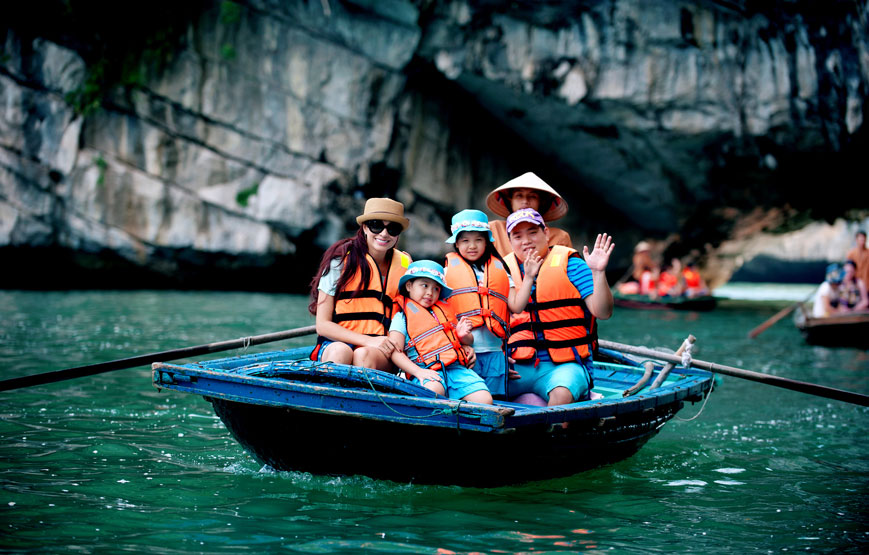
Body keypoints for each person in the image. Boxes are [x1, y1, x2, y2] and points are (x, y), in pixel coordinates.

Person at [502, 208, 615, 406]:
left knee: (561, 394)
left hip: (564, 366)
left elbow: (603, 312)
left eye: (533, 232)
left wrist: (598, 273)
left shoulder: (572, 265)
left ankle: (554, 431)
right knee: (484, 387)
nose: (526, 240)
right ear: (510, 242)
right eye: (517, 236)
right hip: (517, 367)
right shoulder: (503, 272)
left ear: (546, 234)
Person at [442, 209, 542, 398]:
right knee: (466, 400)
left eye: (478, 240)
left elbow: (516, 306)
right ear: (456, 243)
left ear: (487, 241)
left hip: (495, 354)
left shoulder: (500, 270)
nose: (472, 246)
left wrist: (529, 277)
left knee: (495, 402)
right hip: (463, 352)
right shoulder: (446, 273)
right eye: (465, 240)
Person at [308, 198, 412, 371]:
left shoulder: (406, 265)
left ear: (398, 234)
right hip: (338, 342)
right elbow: (323, 325)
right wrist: (368, 340)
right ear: (364, 227)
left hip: (382, 350)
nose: (384, 233)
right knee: (341, 352)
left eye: (392, 228)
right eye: (376, 225)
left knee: (363, 356)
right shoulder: (339, 262)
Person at [388, 260, 493, 404]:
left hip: (457, 369)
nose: (430, 293)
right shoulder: (401, 318)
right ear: (409, 286)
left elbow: (468, 342)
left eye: (436, 288)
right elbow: (394, 351)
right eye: (424, 285)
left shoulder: (444, 312)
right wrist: (418, 372)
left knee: (484, 400)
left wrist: (464, 337)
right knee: (433, 392)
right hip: (426, 370)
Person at [486, 172, 572, 257]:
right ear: (510, 201)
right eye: (519, 195)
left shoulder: (559, 237)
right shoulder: (493, 229)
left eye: (532, 196)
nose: (525, 201)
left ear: (541, 203)